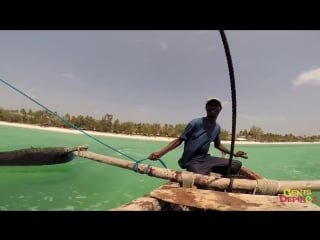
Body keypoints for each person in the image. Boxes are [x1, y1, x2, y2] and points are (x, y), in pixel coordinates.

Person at [148, 97, 248, 177]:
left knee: (236, 164)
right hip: (191, 160)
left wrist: (234, 154)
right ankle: (204, 172)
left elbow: (218, 145)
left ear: (220, 109)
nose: (213, 107)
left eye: (216, 105)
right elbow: (179, 141)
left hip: (205, 158)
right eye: (210, 105)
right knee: (201, 178)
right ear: (206, 108)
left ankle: (209, 170)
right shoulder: (195, 123)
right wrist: (160, 153)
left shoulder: (217, 127)